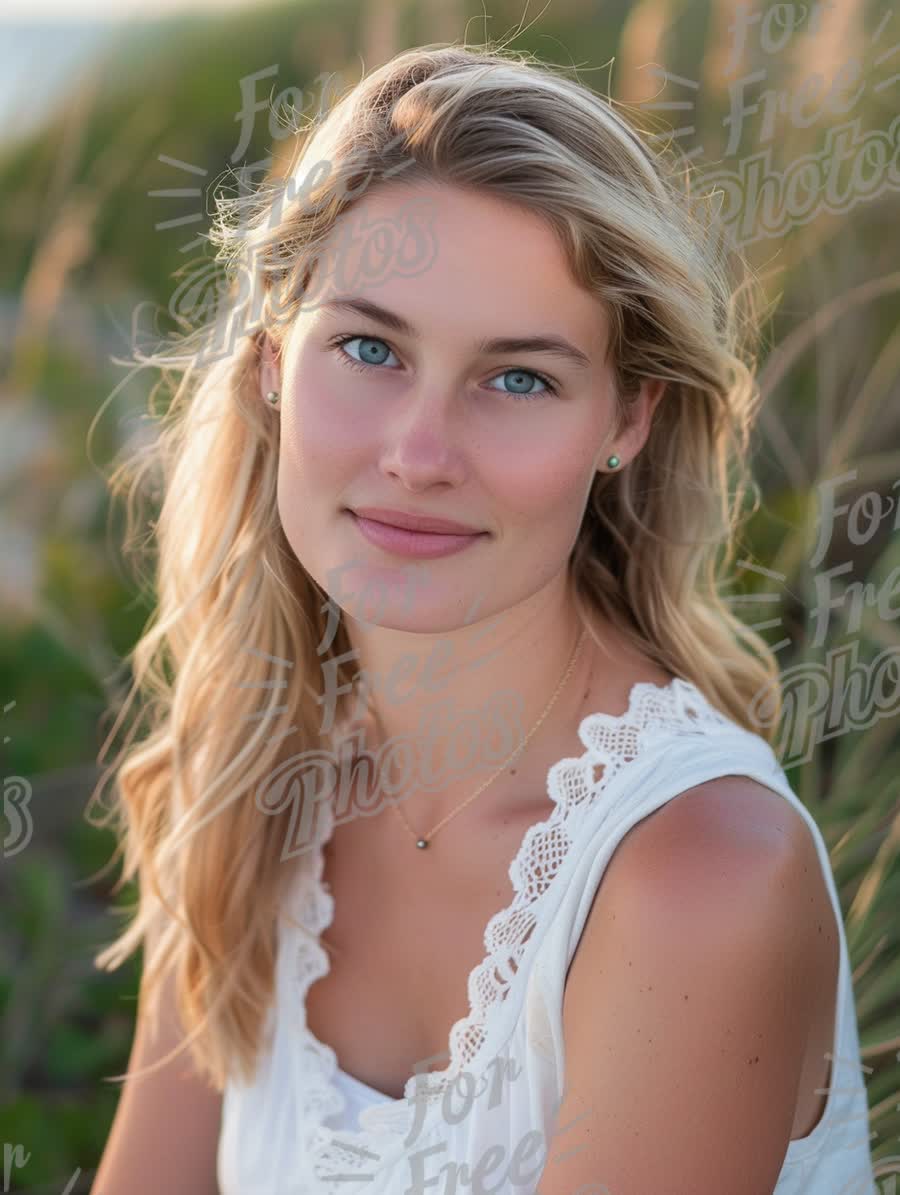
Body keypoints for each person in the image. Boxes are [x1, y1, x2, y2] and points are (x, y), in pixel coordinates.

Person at [88, 42, 876, 1195]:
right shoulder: (246, 782)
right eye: (368, 347)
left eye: (518, 378)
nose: (417, 455)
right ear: (270, 367)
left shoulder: (698, 875)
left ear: (629, 418)